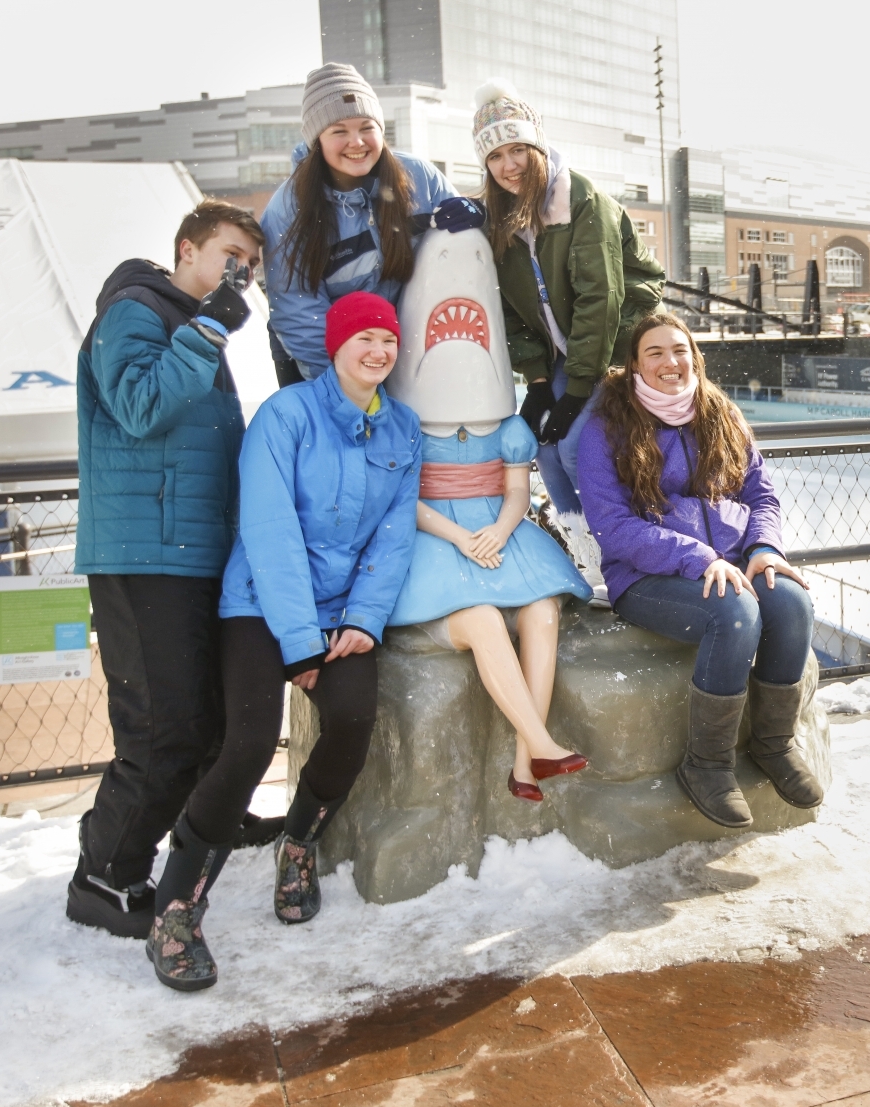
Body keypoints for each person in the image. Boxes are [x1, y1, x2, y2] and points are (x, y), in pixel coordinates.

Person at [145, 292, 421, 992]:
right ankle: (176, 908)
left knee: (353, 720)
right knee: (245, 745)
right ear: (334, 347)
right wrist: (300, 641)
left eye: (387, 340)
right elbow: (269, 530)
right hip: (261, 604)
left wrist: (364, 619)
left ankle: (299, 843)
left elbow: (393, 537)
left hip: (340, 614)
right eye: (362, 338)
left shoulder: (402, 430)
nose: (378, 351)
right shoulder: (285, 415)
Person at [68, 199, 260, 939]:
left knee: (205, 716)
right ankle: (104, 875)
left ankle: (201, 826)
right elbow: (140, 407)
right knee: (161, 728)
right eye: (231, 257)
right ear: (189, 249)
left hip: (191, 552)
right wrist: (210, 325)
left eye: (251, 267)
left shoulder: (187, 328)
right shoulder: (136, 311)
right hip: (143, 554)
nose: (241, 275)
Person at [385, 196, 593, 799]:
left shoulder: (509, 429)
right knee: (477, 619)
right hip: (434, 539)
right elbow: (404, 501)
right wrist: (459, 537)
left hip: (499, 534)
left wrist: (500, 532)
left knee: (543, 613)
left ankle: (528, 763)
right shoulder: (403, 427)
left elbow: (516, 493)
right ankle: (542, 745)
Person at [579, 312, 821, 829]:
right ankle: (707, 765)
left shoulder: (722, 414)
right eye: (655, 353)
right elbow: (612, 526)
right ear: (636, 365)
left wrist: (764, 547)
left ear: (696, 357)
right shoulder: (607, 428)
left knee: (792, 603)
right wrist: (697, 557)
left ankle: (774, 745)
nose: (671, 362)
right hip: (649, 576)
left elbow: (761, 495)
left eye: (680, 350)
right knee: (734, 614)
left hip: (734, 561)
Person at [472, 81, 664, 519]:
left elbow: (601, 301)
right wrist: (538, 382)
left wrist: (576, 394)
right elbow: (509, 306)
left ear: (537, 148)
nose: (509, 165)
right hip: (569, 348)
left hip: (619, 339)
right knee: (543, 446)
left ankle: (623, 537)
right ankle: (585, 548)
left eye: (517, 149)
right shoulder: (502, 221)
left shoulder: (584, 204)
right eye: (495, 156)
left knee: (578, 449)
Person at [261, 63, 457, 385]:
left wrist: (474, 216)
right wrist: (346, 391)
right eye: (339, 131)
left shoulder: (420, 178)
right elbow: (298, 311)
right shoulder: (289, 208)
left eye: (366, 127)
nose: (356, 142)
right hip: (327, 361)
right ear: (317, 141)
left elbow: (465, 251)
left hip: (407, 347)